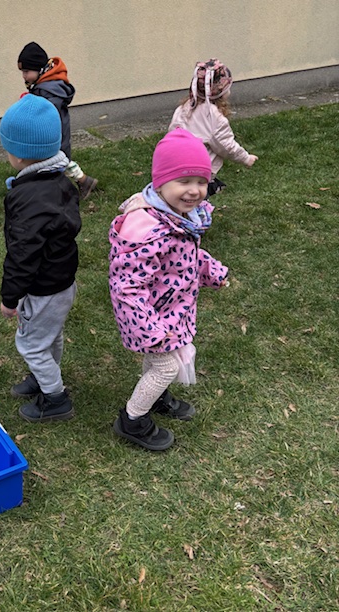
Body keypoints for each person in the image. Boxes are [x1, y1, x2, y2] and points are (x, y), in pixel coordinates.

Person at [109, 128, 229, 450]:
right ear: (160, 183)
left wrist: (212, 271)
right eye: (184, 181)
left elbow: (185, 257)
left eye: (201, 181)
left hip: (171, 309)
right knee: (166, 366)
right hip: (150, 316)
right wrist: (148, 328)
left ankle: (156, 397)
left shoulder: (180, 218)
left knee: (159, 362)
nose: (194, 190)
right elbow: (127, 286)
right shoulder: (146, 230)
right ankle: (132, 419)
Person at [0, 93, 81, 423]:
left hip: (43, 287)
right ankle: (45, 375)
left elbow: (23, 254)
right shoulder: (59, 180)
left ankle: (55, 398)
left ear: (18, 155)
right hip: (62, 282)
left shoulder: (28, 198)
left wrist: (10, 297)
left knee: (31, 344)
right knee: (50, 335)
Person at [17, 41, 98, 200]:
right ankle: (83, 181)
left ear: (40, 69)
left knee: (57, 163)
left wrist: (31, 106)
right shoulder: (44, 86)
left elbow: (47, 112)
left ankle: (77, 184)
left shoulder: (49, 91)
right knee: (59, 162)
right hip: (54, 133)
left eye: (26, 71)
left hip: (55, 134)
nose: (24, 76)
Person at [169, 58, 258, 197]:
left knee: (181, 196)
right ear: (221, 91)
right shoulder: (214, 118)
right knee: (196, 197)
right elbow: (226, 145)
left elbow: (172, 132)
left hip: (177, 163)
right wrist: (246, 158)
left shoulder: (185, 107)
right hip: (198, 169)